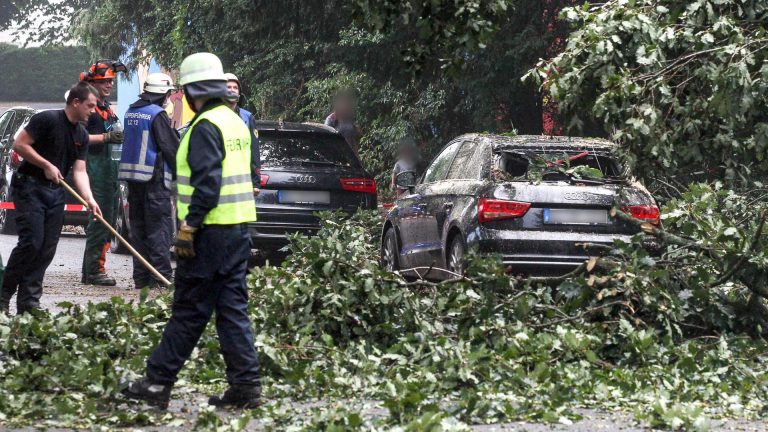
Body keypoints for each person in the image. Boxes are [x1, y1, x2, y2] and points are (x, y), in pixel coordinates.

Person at [122, 52, 262, 409]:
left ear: (190, 91)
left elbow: (207, 184)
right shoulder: (235, 123)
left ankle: (156, 384)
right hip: (237, 230)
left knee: (189, 309)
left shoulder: (204, 127)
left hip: (209, 233)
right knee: (232, 309)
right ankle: (245, 387)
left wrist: (188, 228)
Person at [0, 82, 102, 315]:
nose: (93, 110)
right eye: (90, 105)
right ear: (75, 102)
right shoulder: (47, 120)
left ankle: (29, 303)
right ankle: (3, 295)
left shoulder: (82, 135)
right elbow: (20, 144)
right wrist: (45, 164)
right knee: (32, 242)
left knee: (47, 248)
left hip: (55, 194)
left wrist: (90, 199)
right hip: (30, 187)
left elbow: (79, 171)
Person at [119, 73, 179, 289]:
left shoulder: (131, 111)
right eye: (169, 94)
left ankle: (141, 279)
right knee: (159, 232)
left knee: (139, 233)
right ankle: (161, 279)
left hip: (134, 183)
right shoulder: (157, 114)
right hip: (155, 184)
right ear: (163, 93)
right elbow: (170, 148)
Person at [79, 60, 126, 286]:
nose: (108, 85)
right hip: (95, 169)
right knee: (100, 220)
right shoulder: (88, 109)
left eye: (110, 81)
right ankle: (95, 271)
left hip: (109, 170)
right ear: (92, 82)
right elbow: (78, 138)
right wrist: (107, 137)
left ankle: (90, 270)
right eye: (103, 81)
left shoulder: (105, 107)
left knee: (105, 218)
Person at [324, 90, 362, 156]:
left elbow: (353, 140)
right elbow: (326, 137)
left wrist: (357, 158)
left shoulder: (350, 118)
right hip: (337, 154)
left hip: (350, 153)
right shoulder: (331, 119)